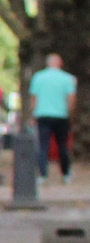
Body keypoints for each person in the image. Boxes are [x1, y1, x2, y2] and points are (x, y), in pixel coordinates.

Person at [30, 51, 76, 183]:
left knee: (43, 146)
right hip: (61, 115)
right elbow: (71, 99)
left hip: (43, 115)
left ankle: (43, 175)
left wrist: (34, 114)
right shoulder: (67, 79)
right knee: (63, 145)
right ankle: (65, 173)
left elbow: (34, 98)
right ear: (60, 63)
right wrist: (69, 114)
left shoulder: (38, 77)